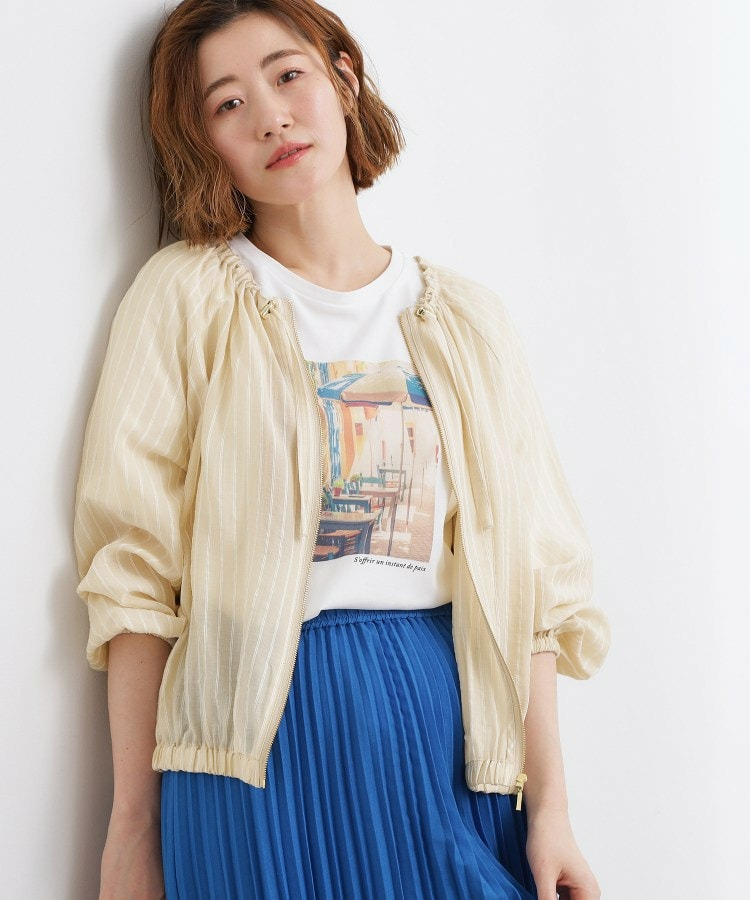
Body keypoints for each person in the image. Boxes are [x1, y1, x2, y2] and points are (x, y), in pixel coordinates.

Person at [73, 1, 611, 897]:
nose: (271, 117)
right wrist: (133, 829)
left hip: (447, 728)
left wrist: (552, 810)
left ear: (344, 80)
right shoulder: (186, 298)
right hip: (252, 751)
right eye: (227, 104)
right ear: (204, 142)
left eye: (288, 76)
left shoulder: (466, 319)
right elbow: (134, 571)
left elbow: (533, 588)